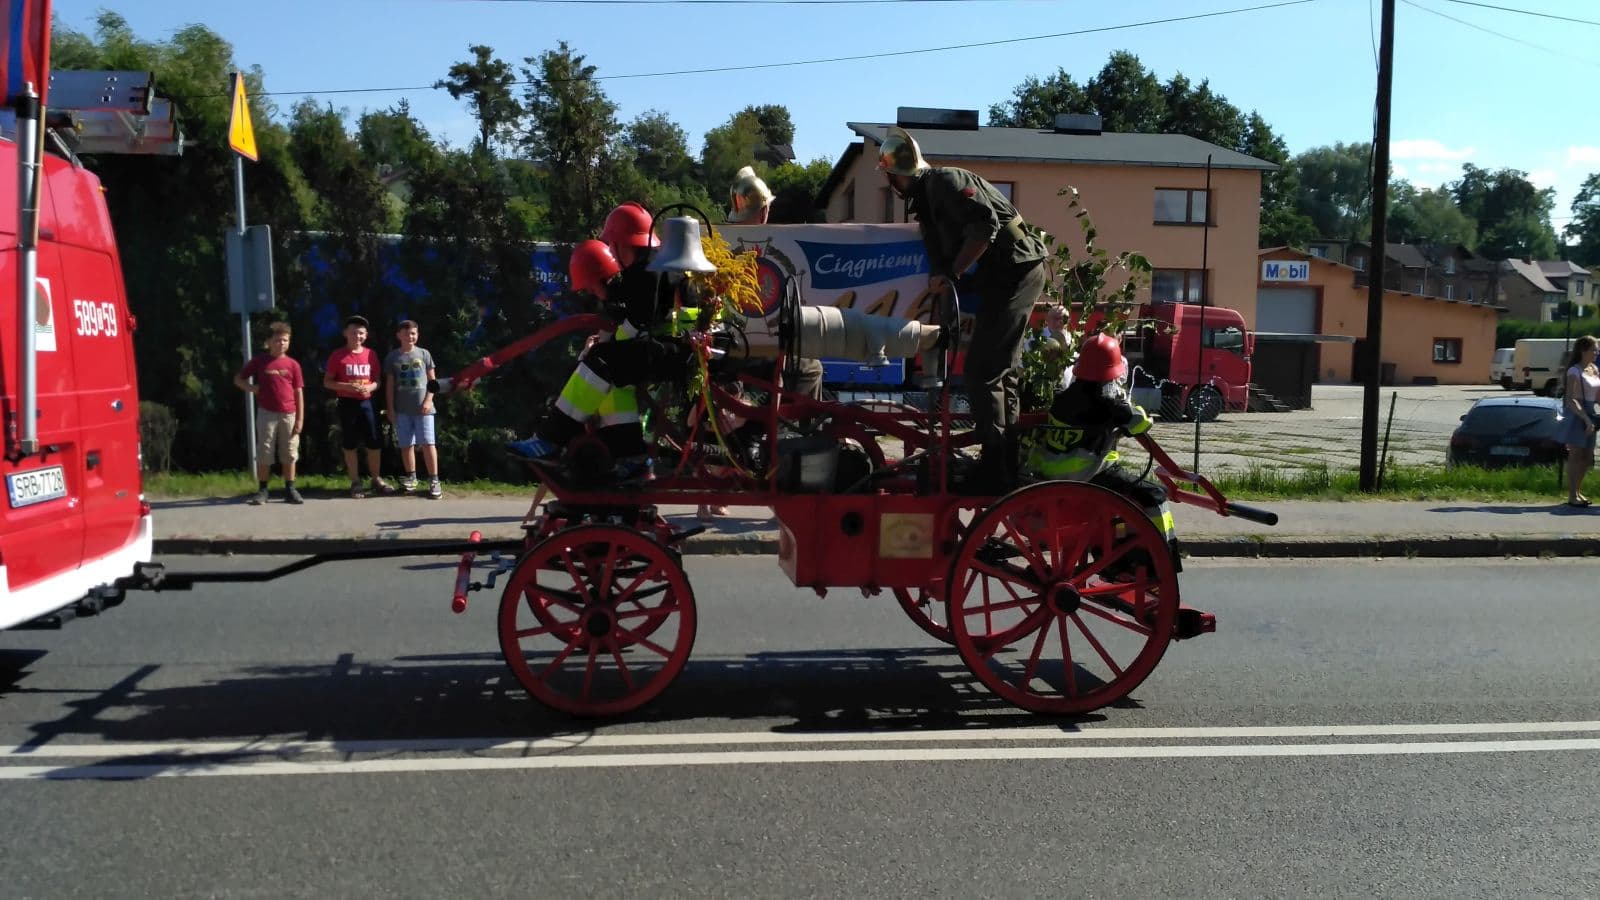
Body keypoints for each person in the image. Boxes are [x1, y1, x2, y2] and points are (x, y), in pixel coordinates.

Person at [877, 126, 1048, 493]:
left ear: (897, 176)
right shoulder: (925, 201)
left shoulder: (945, 182)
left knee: (983, 371)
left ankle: (996, 466)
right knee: (1001, 371)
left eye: (890, 177)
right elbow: (939, 259)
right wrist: (942, 287)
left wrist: (952, 272)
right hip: (1003, 276)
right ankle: (1005, 463)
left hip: (1018, 269)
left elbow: (984, 225)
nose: (891, 185)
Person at [506, 236, 701, 481]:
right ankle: (633, 460)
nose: (589, 291)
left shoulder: (642, 274)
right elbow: (627, 326)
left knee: (601, 362)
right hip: (673, 350)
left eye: (588, 284)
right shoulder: (648, 271)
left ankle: (551, 439)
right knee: (613, 384)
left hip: (672, 352)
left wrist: (599, 349)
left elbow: (637, 324)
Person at [1024, 333, 1180, 574]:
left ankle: (1110, 557)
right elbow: (1141, 424)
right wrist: (1125, 404)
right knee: (1155, 495)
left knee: (1123, 497)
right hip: (1088, 476)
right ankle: (1161, 561)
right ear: (1112, 374)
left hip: (1049, 478)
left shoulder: (1061, 399)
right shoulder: (1108, 405)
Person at [233, 321, 305, 505]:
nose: (281, 343)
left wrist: (300, 419)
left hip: (289, 414)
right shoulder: (259, 361)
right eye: (277, 340)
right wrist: (253, 388)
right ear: (269, 342)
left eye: (285, 340)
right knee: (265, 451)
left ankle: (290, 488)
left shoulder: (293, 364)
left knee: (289, 452)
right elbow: (238, 379)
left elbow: (298, 391)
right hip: (266, 413)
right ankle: (263, 490)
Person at [324, 315, 394, 498]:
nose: (358, 336)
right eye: (354, 332)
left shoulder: (371, 354)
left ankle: (376, 479)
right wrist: (347, 386)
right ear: (345, 333)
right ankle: (355, 482)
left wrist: (370, 387)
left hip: (367, 402)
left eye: (361, 333)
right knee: (350, 443)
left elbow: (378, 381)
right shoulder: (337, 355)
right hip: (347, 403)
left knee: (374, 441)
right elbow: (328, 382)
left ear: (366, 335)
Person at [386, 319, 441, 499]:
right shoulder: (393, 357)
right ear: (398, 335)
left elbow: (433, 382)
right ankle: (412, 478)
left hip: (424, 409)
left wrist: (428, 400)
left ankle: (434, 480)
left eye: (414, 333)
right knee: (406, 445)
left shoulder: (424, 354)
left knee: (427, 443)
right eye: (406, 333)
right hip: (402, 410)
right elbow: (390, 385)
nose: (410, 336)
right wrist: (391, 408)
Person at [1559, 335, 1599, 507]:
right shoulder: (1573, 371)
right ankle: (1572, 495)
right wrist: (1585, 419)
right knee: (1576, 455)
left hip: (1590, 413)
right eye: (1594, 349)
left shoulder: (1594, 369)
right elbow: (1570, 399)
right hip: (1577, 415)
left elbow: (1596, 396)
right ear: (1583, 350)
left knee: (1588, 456)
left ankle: (1578, 490)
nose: (1597, 352)